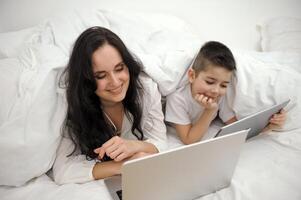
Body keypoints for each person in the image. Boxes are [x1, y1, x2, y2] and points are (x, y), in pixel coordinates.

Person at [52, 26, 167, 184]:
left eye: (119, 69)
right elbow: (63, 171)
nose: (115, 82)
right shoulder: (73, 105)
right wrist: (122, 165)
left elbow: (161, 141)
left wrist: (134, 146)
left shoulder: (146, 89)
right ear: (86, 80)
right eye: (100, 76)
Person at [165, 41, 286, 145]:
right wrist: (209, 111)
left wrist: (268, 126)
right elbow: (189, 140)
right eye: (209, 82)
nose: (216, 91)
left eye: (223, 85)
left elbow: (236, 129)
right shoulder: (177, 99)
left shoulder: (220, 97)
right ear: (192, 76)